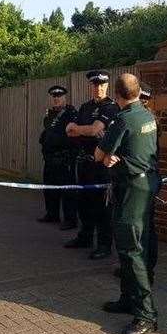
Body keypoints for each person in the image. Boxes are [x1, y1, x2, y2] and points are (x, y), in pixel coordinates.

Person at [95, 73, 160, 334]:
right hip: (146, 184)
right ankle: (127, 299)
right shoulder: (147, 115)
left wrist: (110, 156)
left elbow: (98, 154)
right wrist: (119, 158)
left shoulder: (122, 119)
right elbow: (139, 149)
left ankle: (146, 314)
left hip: (132, 189)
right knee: (126, 245)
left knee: (132, 250)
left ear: (118, 95)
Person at [64, 70, 119, 260]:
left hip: (102, 164)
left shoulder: (111, 107)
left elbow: (95, 129)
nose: (99, 88)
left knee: (102, 206)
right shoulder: (86, 107)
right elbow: (72, 133)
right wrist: (83, 131)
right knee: (84, 202)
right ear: (91, 86)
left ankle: (104, 245)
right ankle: (85, 237)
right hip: (85, 161)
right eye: (96, 85)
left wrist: (79, 129)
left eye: (102, 85)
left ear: (107, 85)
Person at [113, 81, 159, 282]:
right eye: (143, 99)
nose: (144, 103)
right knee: (141, 233)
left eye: (146, 100)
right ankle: (133, 280)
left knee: (136, 239)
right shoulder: (148, 118)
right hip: (146, 180)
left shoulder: (134, 119)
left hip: (137, 183)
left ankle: (144, 275)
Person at [37, 85, 78, 230]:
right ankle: (52, 213)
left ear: (64, 97)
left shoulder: (71, 114)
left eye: (59, 96)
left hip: (64, 158)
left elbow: (72, 136)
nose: (56, 99)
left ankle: (70, 219)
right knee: (49, 187)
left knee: (67, 190)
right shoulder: (49, 114)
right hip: (50, 158)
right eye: (54, 97)